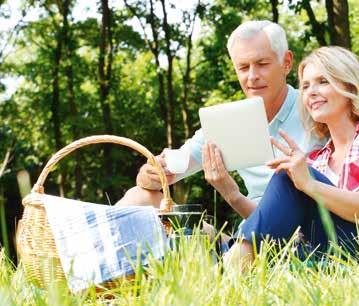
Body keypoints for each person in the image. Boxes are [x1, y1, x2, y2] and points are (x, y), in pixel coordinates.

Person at [223, 46, 359, 269]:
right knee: (290, 178)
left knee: (292, 178)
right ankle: (228, 259)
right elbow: (283, 227)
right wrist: (233, 194)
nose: (311, 92)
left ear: (349, 85)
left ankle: (230, 269)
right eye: (305, 86)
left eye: (323, 81)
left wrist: (308, 184)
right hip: (333, 257)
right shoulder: (317, 159)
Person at [117, 20, 320, 218]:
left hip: (307, 229)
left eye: (262, 64)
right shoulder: (227, 122)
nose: (252, 76)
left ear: (286, 62)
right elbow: (173, 168)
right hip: (249, 232)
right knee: (139, 196)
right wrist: (150, 174)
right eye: (243, 67)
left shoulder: (315, 108)